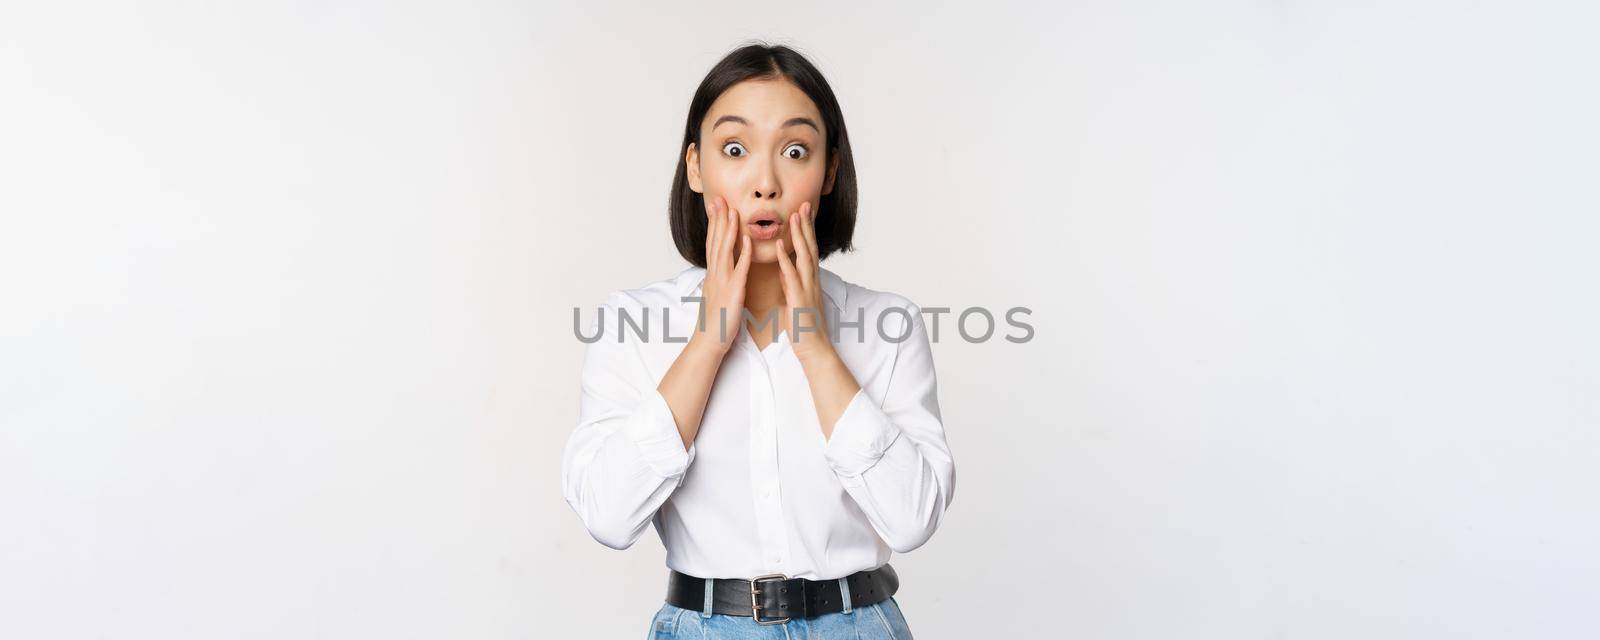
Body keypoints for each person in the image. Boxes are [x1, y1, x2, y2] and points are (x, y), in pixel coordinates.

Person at [561, 42, 955, 639]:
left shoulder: (887, 325)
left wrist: (816, 347)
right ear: (696, 167)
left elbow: (913, 521)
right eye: (735, 149)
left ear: (829, 172)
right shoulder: (632, 324)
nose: (765, 183)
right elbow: (609, 518)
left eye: (795, 151)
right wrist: (707, 342)